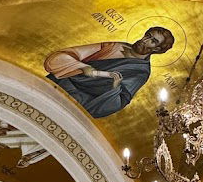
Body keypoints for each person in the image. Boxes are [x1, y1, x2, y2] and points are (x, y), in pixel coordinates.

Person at [45, 27, 174, 117]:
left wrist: (115, 86)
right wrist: (81, 66)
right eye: (147, 35)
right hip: (58, 84)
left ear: (156, 49)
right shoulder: (114, 46)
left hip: (79, 102)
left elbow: (117, 103)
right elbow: (65, 56)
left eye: (152, 41)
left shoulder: (140, 72)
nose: (144, 40)